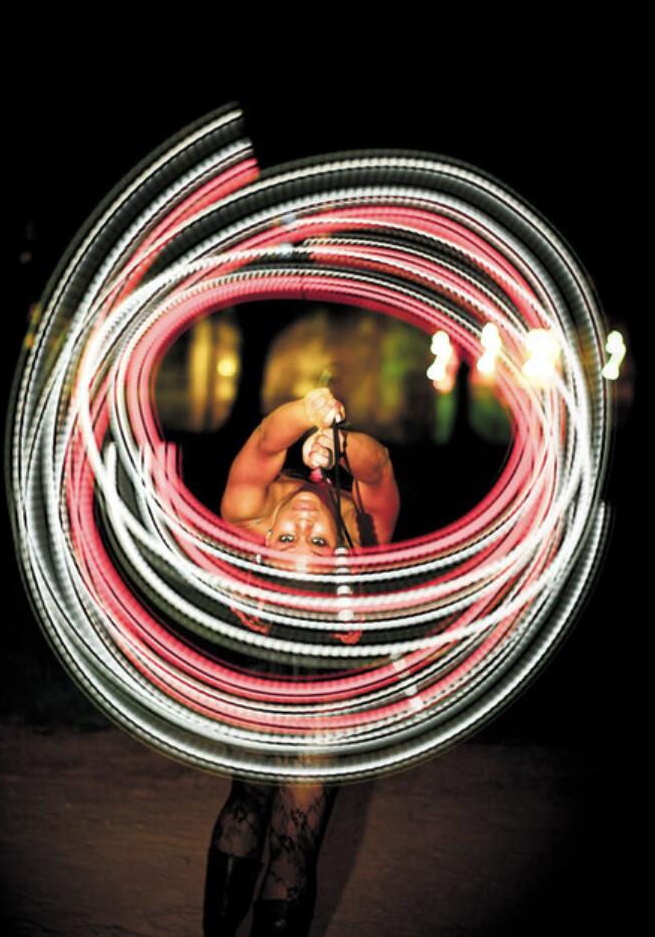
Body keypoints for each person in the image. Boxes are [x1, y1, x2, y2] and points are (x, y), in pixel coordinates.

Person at [203, 388, 400, 936]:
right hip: (297, 671)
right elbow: (378, 465)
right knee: (276, 821)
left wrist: (305, 417)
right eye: (311, 541)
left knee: (269, 817)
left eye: (292, 538)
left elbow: (268, 440)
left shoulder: (249, 513)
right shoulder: (363, 531)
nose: (306, 524)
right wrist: (336, 443)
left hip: (292, 672)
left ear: (266, 540)